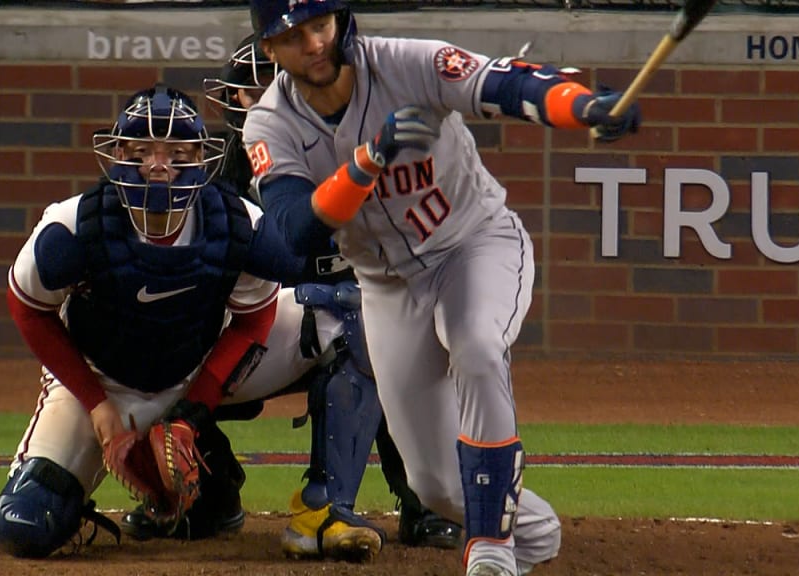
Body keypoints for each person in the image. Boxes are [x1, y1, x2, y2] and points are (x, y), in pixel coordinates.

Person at [242, 2, 641, 575]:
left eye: (320, 25)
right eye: (293, 35)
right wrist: (368, 160)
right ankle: (529, 531)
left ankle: (492, 551)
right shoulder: (271, 124)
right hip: (385, 288)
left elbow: (505, 82)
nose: (313, 43)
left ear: (341, 22)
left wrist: (581, 107)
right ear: (270, 48)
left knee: (476, 344)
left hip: (473, 244)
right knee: (434, 485)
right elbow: (296, 229)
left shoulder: (405, 64)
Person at [0, 84, 306, 558]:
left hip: (193, 366)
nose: (160, 166)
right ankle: (157, 490)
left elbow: (254, 319)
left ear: (201, 156)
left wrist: (193, 411)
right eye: (142, 152)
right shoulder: (73, 228)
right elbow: (28, 308)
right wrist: (95, 403)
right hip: (100, 380)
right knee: (26, 523)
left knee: (342, 318)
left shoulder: (238, 223)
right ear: (116, 155)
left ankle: (326, 505)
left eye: (178, 152)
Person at [203, 34, 469, 553]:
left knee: (390, 333)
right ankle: (205, 498)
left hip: (347, 325)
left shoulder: (356, 160)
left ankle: (419, 500)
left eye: (280, 85)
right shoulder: (218, 180)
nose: (259, 100)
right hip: (253, 333)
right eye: (249, 88)